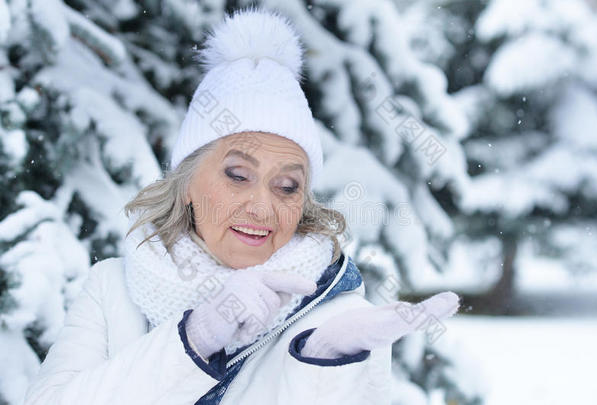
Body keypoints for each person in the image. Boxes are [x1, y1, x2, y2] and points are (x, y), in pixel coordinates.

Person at [23, 7, 460, 405]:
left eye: (287, 186)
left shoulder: (339, 317)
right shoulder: (110, 290)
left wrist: (327, 365)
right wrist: (192, 339)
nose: (262, 207)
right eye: (237, 175)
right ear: (187, 181)